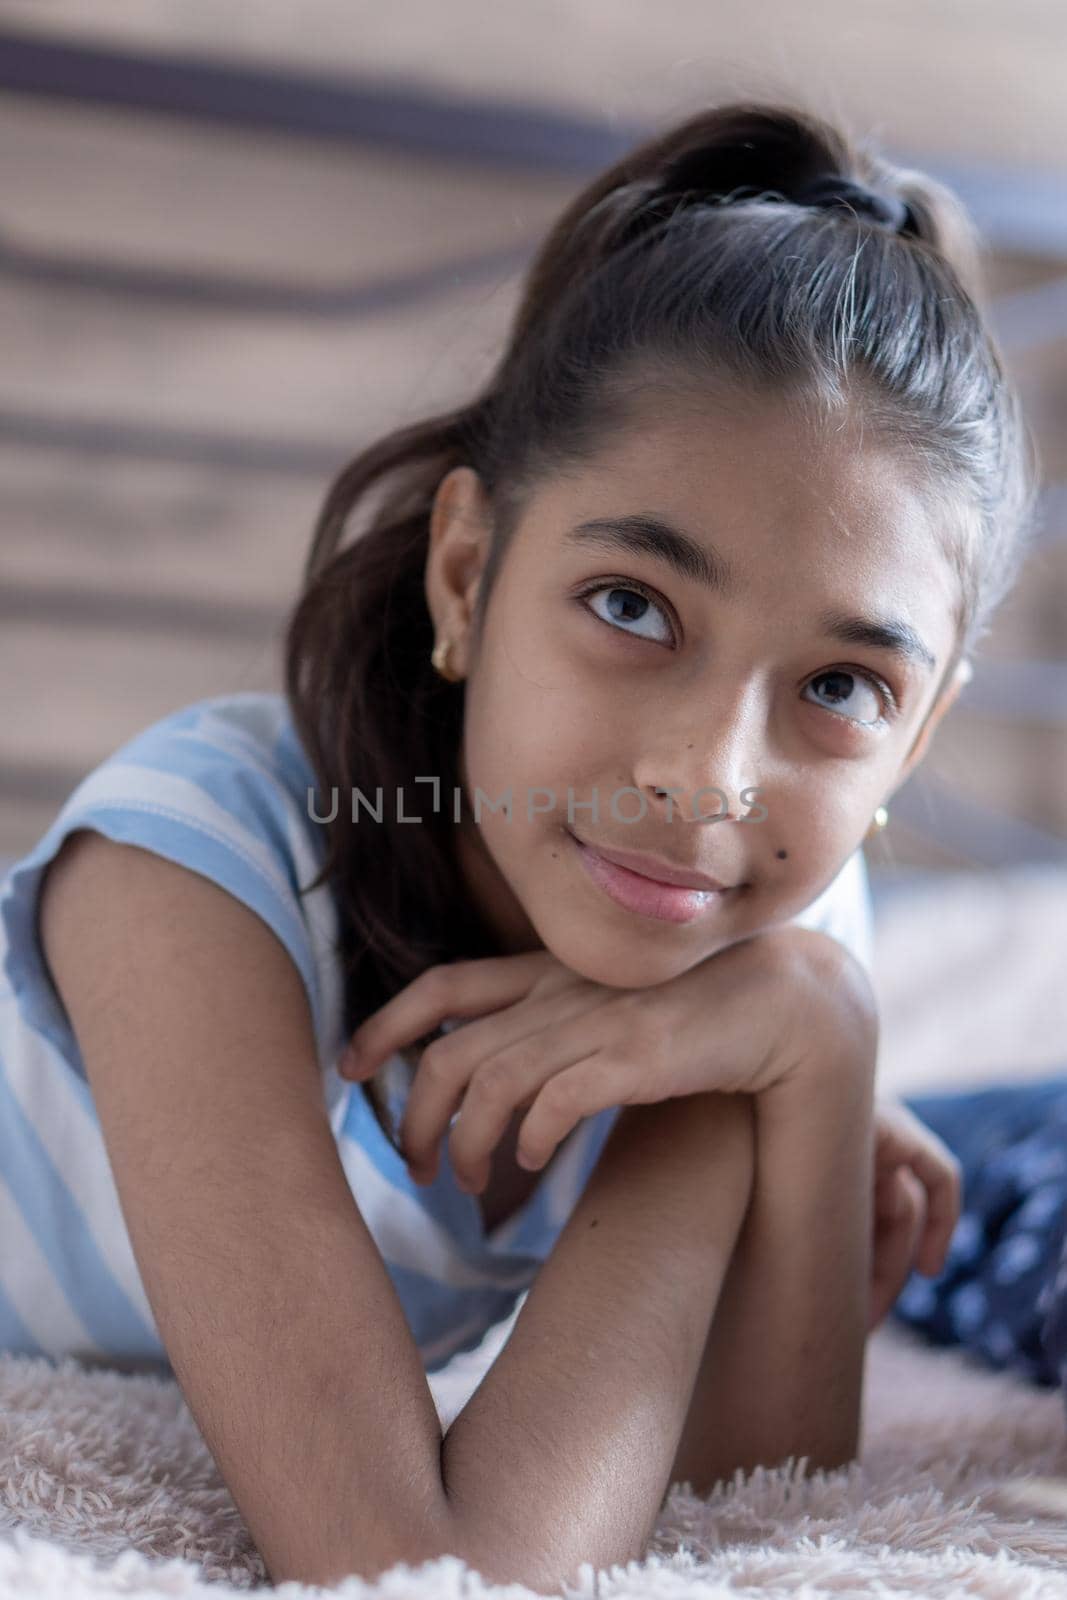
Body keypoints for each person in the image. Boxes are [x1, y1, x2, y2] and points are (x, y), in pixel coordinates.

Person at [0, 100, 1036, 1589]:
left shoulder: (776, 930)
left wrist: (813, 1040)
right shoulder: (196, 873)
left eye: (839, 689)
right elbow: (427, 1574)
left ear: (917, 733)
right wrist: (758, 1061)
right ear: (470, 572)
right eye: (632, 606)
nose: (705, 781)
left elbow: (749, 1507)